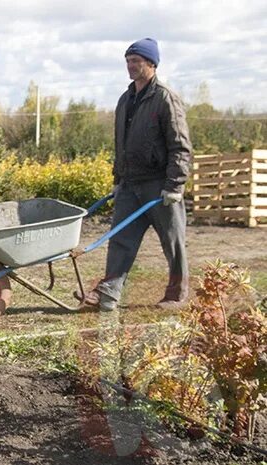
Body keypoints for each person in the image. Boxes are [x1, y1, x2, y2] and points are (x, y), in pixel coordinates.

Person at [79, 38, 192, 311]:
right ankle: (108, 294)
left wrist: (174, 184)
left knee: (173, 241)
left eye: (136, 61)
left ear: (151, 64)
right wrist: (118, 180)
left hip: (159, 185)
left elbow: (180, 145)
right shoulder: (125, 99)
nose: (130, 66)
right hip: (130, 185)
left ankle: (176, 295)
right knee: (121, 240)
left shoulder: (165, 98)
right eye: (128, 61)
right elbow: (122, 144)